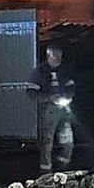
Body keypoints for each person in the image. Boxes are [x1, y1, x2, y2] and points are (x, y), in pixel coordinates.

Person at [27, 44, 77, 173]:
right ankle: (45, 170)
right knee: (47, 141)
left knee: (68, 141)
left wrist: (67, 97)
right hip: (48, 111)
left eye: (59, 57)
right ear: (48, 56)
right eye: (55, 56)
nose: (58, 59)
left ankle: (62, 167)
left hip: (64, 110)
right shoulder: (39, 72)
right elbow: (31, 92)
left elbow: (71, 88)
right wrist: (49, 98)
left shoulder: (64, 71)